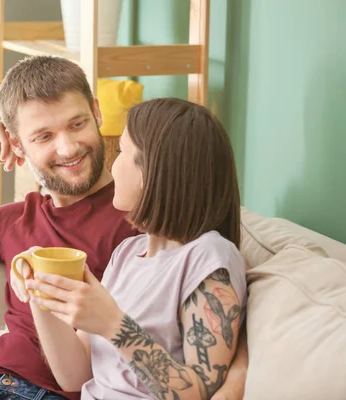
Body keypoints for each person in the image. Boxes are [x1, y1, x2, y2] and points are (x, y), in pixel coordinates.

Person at [0, 55, 248, 400]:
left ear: (97, 113)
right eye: (44, 137)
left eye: (77, 124)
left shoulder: (144, 222)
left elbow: (216, 323)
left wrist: (236, 378)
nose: (68, 149)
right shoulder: (31, 224)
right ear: (17, 144)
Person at [23, 97, 247, 400]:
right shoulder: (127, 253)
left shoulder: (207, 256)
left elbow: (200, 393)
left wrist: (115, 325)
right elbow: (74, 377)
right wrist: (39, 290)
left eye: (122, 151)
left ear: (153, 171)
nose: (113, 165)